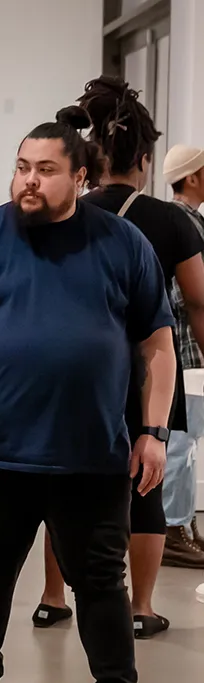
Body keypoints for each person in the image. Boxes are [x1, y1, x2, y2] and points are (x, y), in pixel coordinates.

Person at [0, 109, 174, 683]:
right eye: (22, 167)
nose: (29, 180)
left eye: (46, 169)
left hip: (93, 453)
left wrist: (154, 430)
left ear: (80, 178)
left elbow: (157, 344)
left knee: (102, 580)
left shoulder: (121, 242)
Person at [35, 78, 204, 640]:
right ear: (147, 158)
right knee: (145, 479)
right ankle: (142, 605)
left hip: (70, 371)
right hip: (147, 370)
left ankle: (52, 598)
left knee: (61, 482)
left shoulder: (63, 213)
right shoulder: (169, 220)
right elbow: (200, 304)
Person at [162, 143, 204, 565]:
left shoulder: (186, 221)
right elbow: (186, 296)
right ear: (191, 177)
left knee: (186, 444)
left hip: (186, 350)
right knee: (180, 443)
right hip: (187, 351)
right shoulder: (184, 222)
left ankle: (183, 524)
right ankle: (174, 527)